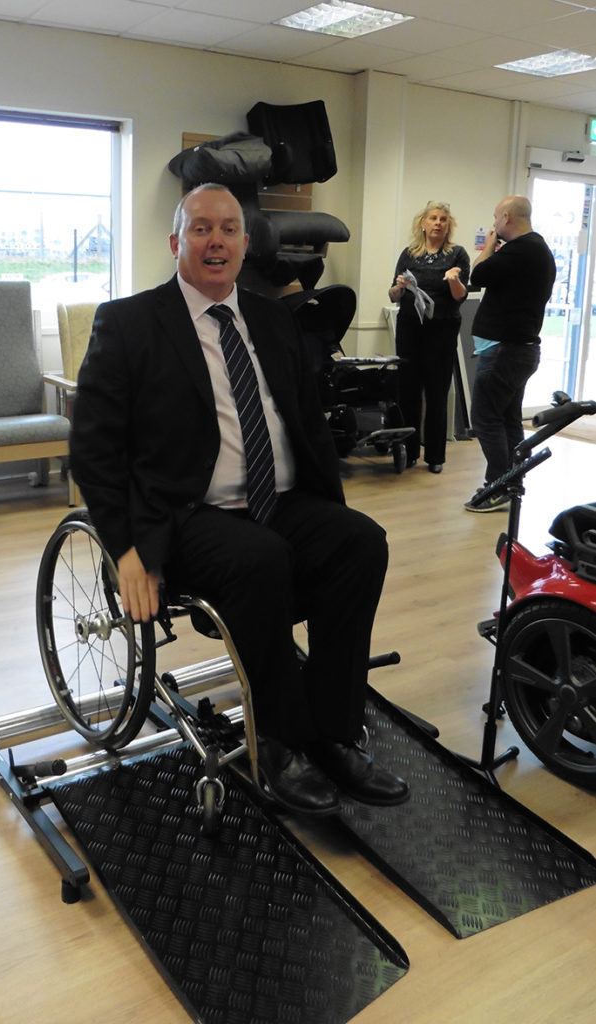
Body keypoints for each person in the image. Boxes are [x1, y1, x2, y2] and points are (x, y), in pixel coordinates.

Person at [70, 182, 409, 817]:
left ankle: (333, 732)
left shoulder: (273, 317)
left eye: (228, 228)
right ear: (176, 242)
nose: (216, 240)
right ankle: (278, 742)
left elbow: (304, 421)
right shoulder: (128, 323)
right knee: (261, 560)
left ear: (245, 244)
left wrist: (332, 508)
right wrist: (127, 551)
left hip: (280, 499)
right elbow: (92, 450)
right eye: (201, 228)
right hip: (190, 514)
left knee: (361, 541)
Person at [464, 195, 556, 512]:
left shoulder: (521, 250)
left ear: (506, 216)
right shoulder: (537, 250)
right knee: (507, 419)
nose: (493, 224)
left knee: (485, 418)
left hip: (506, 350)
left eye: (495, 218)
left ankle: (499, 485)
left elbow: (477, 276)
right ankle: (512, 481)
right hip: (520, 349)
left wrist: (488, 247)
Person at [389, 201, 470, 473]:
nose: (438, 223)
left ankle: (435, 457)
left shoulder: (457, 255)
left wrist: (454, 279)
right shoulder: (409, 254)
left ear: (449, 226)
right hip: (410, 327)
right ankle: (409, 452)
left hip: (442, 329)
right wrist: (398, 288)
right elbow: (393, 295)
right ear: (423, 224)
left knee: (436, 392)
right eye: (433, 218)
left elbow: (461, 296)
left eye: (443, 219)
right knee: (408, 390)